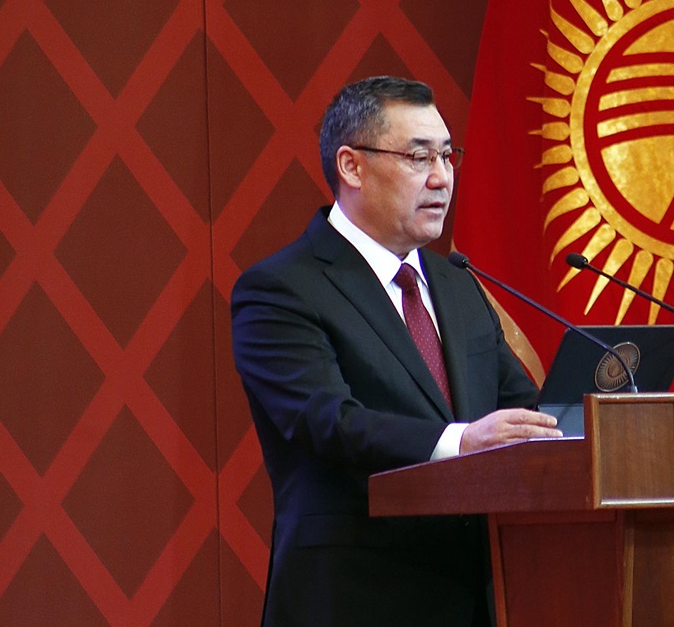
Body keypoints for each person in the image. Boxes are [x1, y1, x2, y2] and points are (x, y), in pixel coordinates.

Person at [231, 76, 561, 627]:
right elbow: (329, 422)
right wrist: (461, 440)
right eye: (418, 156)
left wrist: (580, 421)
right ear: (352, 167)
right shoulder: (282, 289)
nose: (442, 177)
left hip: (474, 599)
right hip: (354, 598)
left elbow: (520, 409)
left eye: (447, 156)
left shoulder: (456, 284)